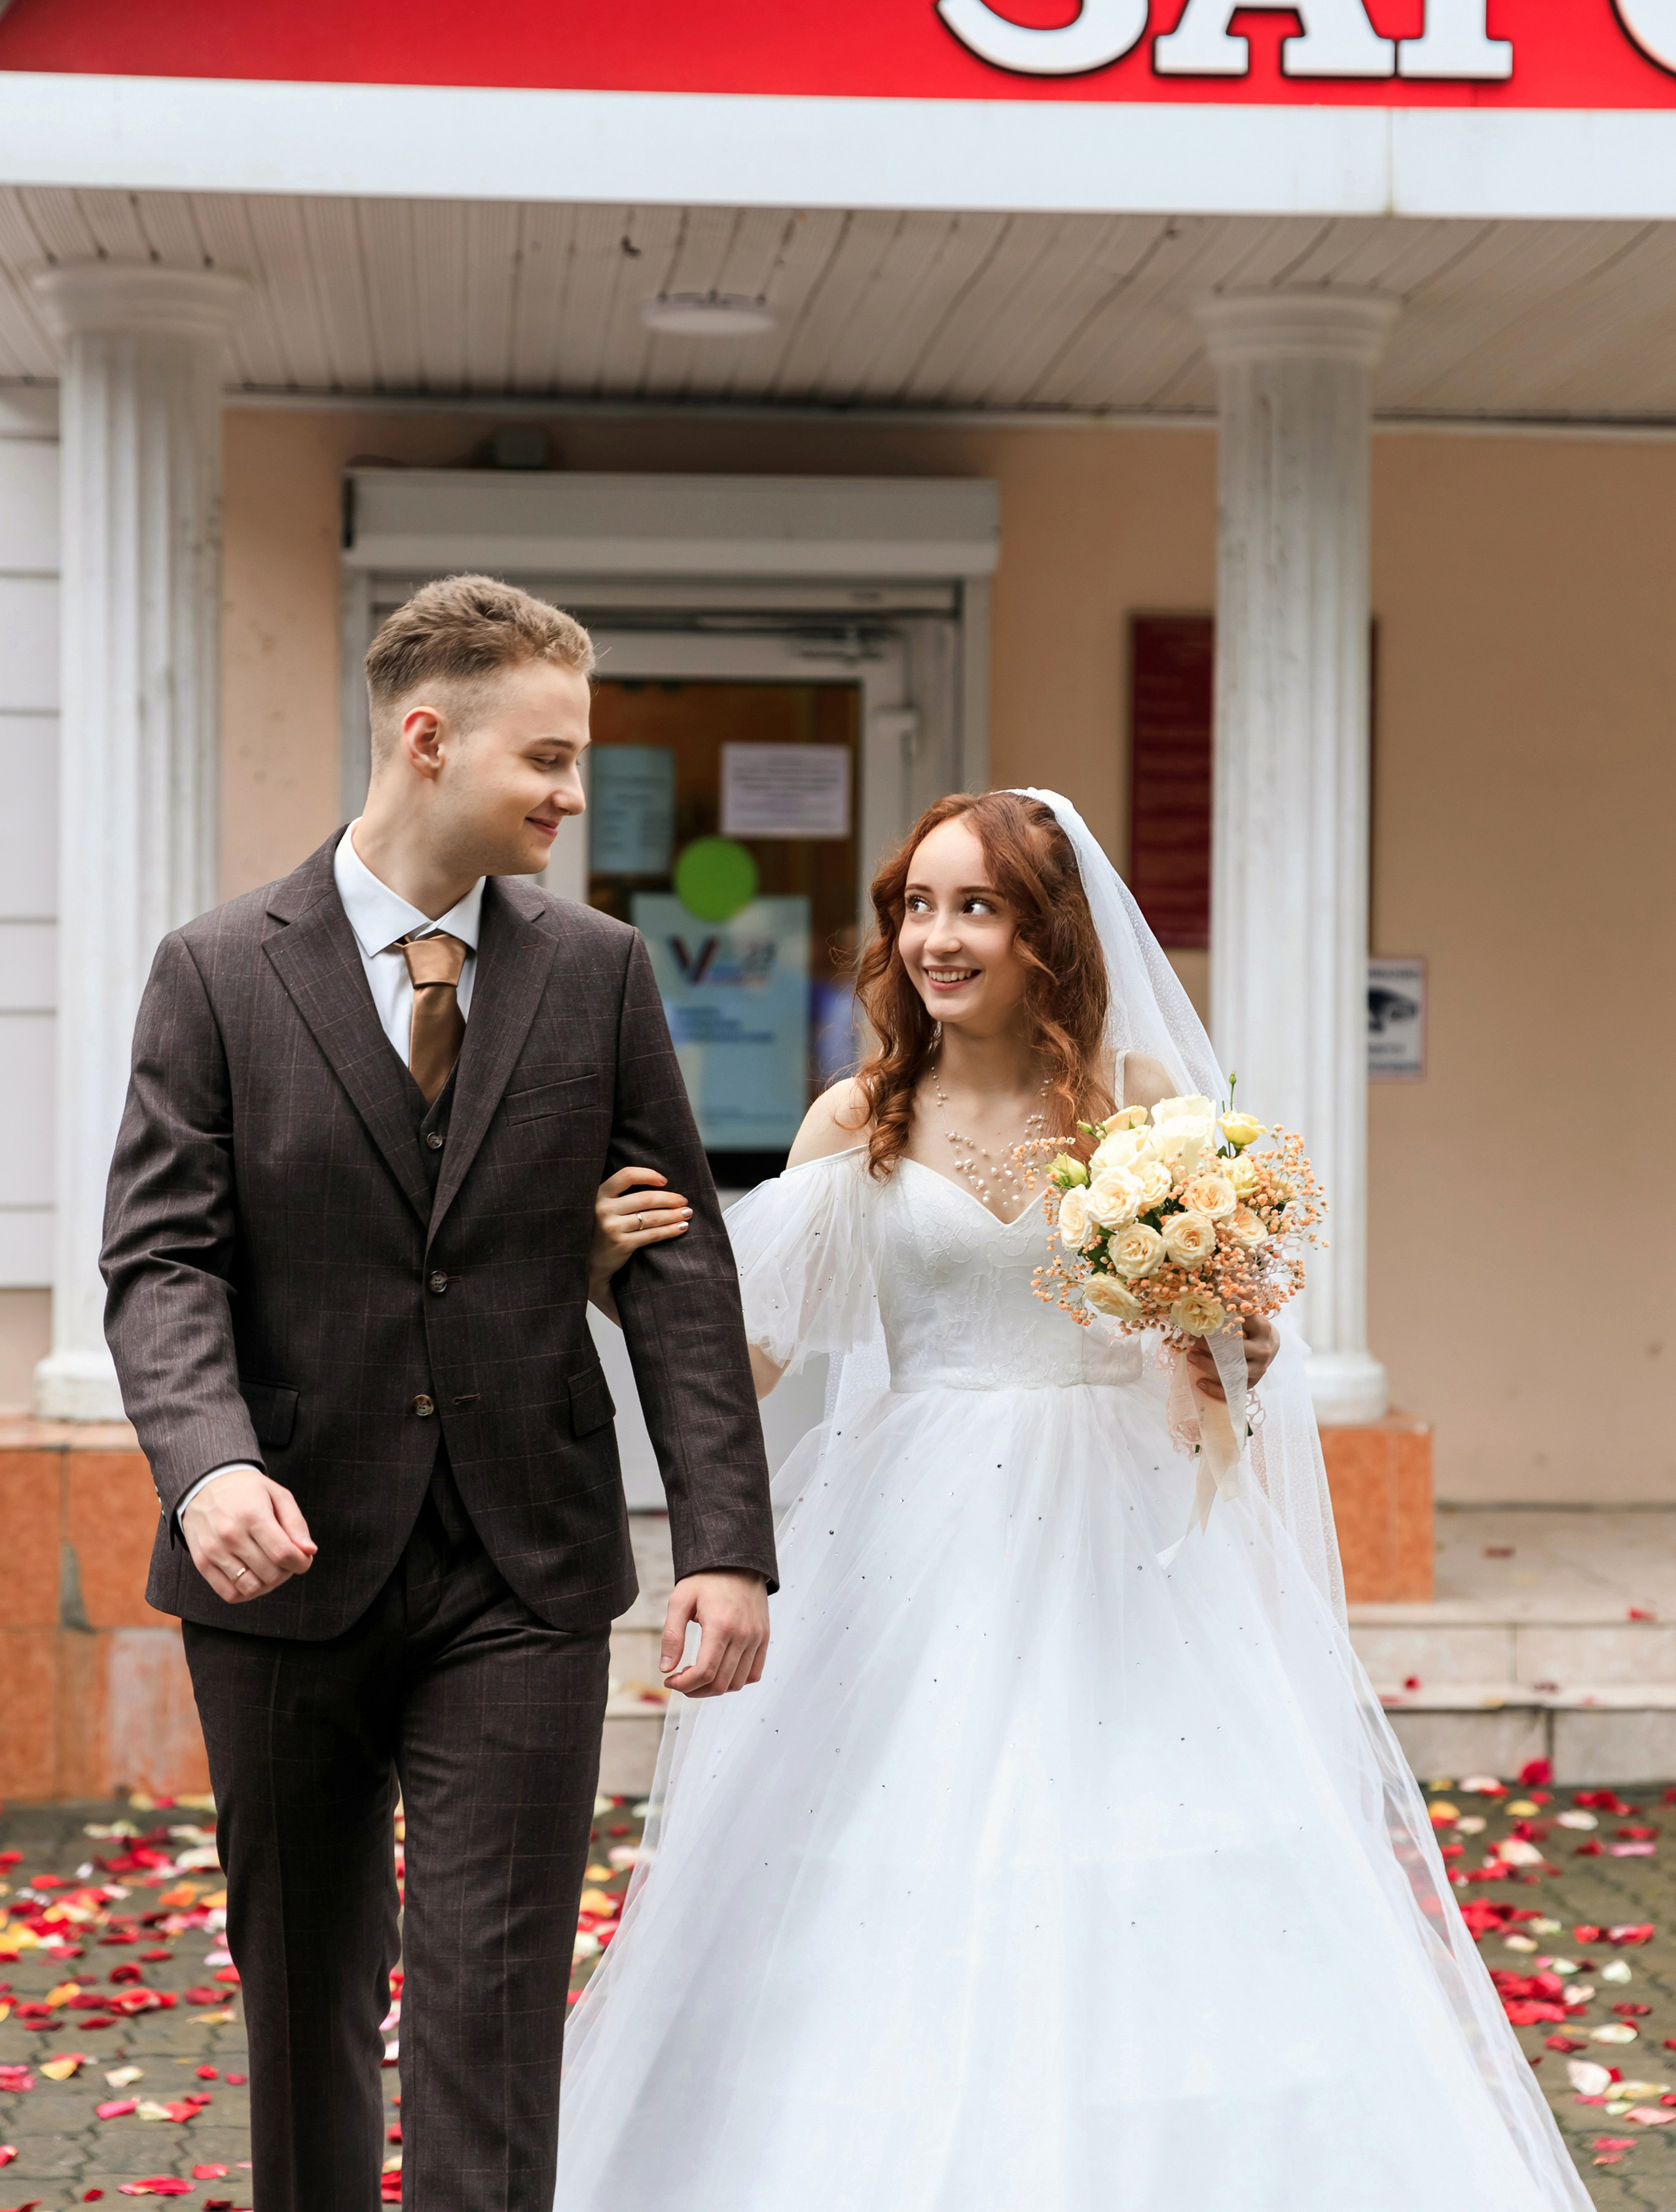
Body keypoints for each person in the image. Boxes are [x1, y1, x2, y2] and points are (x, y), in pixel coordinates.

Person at [557, 789, 1590, 2212]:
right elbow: (750, 1360)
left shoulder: (1137, 1104)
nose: (935, 937)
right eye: (917, 907)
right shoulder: (860, 1118)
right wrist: (610, 1286)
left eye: (974, 907)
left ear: (1046, 930)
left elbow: (1207, 1361)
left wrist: (1229, 1344)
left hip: (1120, 1533)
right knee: (887, 1841)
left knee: (1143, 1833)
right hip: (909, 1532)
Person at [101, 575, 777, 2212]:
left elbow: (675, 1261)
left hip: (520, 1567)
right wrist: (207, 1464)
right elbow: (162, 1257)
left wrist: (723, 1538)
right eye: (547, 756)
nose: (573, 792)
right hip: (279, 1562)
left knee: (492, 2007)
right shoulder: (214, 969)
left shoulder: (598, 971)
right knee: (306, 1994)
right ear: (427, 737)